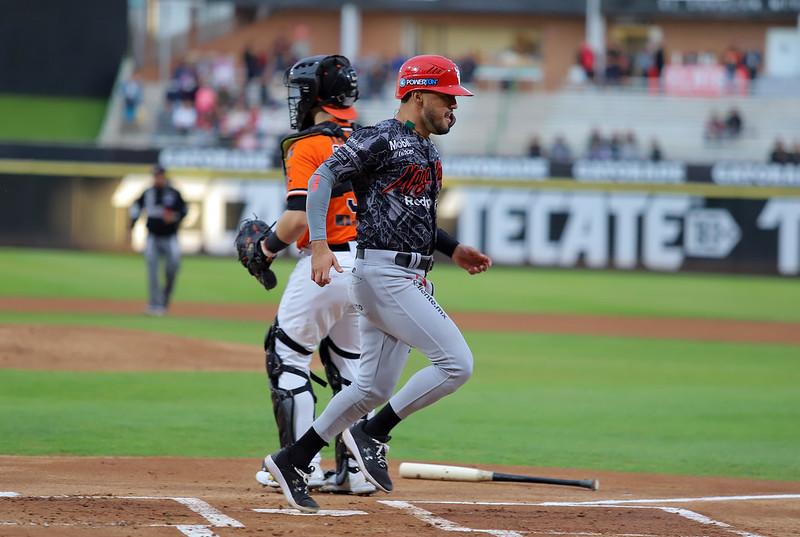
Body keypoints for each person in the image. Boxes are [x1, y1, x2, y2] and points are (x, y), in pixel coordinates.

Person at [262, 54, 492, 513]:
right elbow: (325, 176)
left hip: (406, 272)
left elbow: (412, 215)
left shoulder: (426, 147)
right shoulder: (380, 137)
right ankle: (373, 432)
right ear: (418, 94)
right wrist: (322, 243)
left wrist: (452, 249)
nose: (454, 106)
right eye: (448, 97)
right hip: (383, 274)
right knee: (457, 363)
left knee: (368, 388)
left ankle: (293, 459)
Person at [252, 54, 376, 496]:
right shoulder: (370, 138)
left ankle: (299, 467)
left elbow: (298, 219)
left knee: (287, 355)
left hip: (327, 261)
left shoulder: (309, 143)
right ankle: (357, 472)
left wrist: (264, 247)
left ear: (312, 96)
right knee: (351, 369)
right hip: (371, 265)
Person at [129, 165, 187, 316]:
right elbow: (136, 207)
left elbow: (184, 210)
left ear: (164, 176)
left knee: (173, 267)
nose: (157, 179)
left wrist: (175, 217)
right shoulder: (148, 193)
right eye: (155, 176)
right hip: (153, 236)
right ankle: (155, 304)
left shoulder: (174, 193)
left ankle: (164, 299)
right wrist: (132, 224)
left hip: (170, 237)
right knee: (152, 270)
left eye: (160, 176)